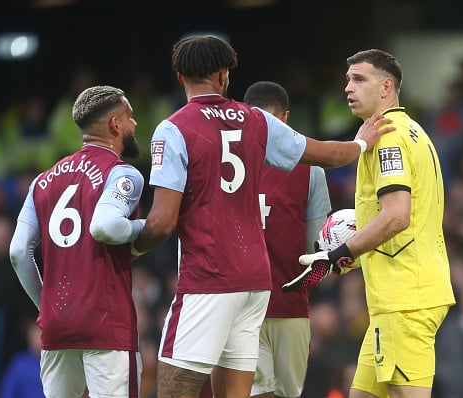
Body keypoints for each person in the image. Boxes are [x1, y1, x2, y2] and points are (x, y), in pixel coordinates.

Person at [132, 35, 394, 398]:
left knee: (174, 391)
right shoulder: (256, 120)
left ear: (179, 77)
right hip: (256, 281)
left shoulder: (173, 128)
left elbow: (161, 224)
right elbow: (329, 154)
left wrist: (130, 245)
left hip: (208, 276)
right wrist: (362, 142)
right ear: (223, 76)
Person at [289, 49, 456, 398]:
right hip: (395, 299)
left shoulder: (388, 139)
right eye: (347, 79)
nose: (348, 88)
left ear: (386, 87)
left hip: (404, 299)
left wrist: (339, 253)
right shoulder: (412, 132)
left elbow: (396, 215)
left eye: (359, 79)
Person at [9, 85, 145, 398]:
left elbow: (18, 252)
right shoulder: (122, 173)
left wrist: (47, 304)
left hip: (57, 327)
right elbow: (106, 227)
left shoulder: (42, 180)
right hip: (106, 323)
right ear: (115, 125)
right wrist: (146, 227)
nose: (134, 124)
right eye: (130, 117)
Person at [245, 81, 331, 398]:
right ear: (286, 118)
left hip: (248, 305)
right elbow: (316, 249)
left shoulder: (227, 166)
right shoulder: (311, 171)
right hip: (284, 306)